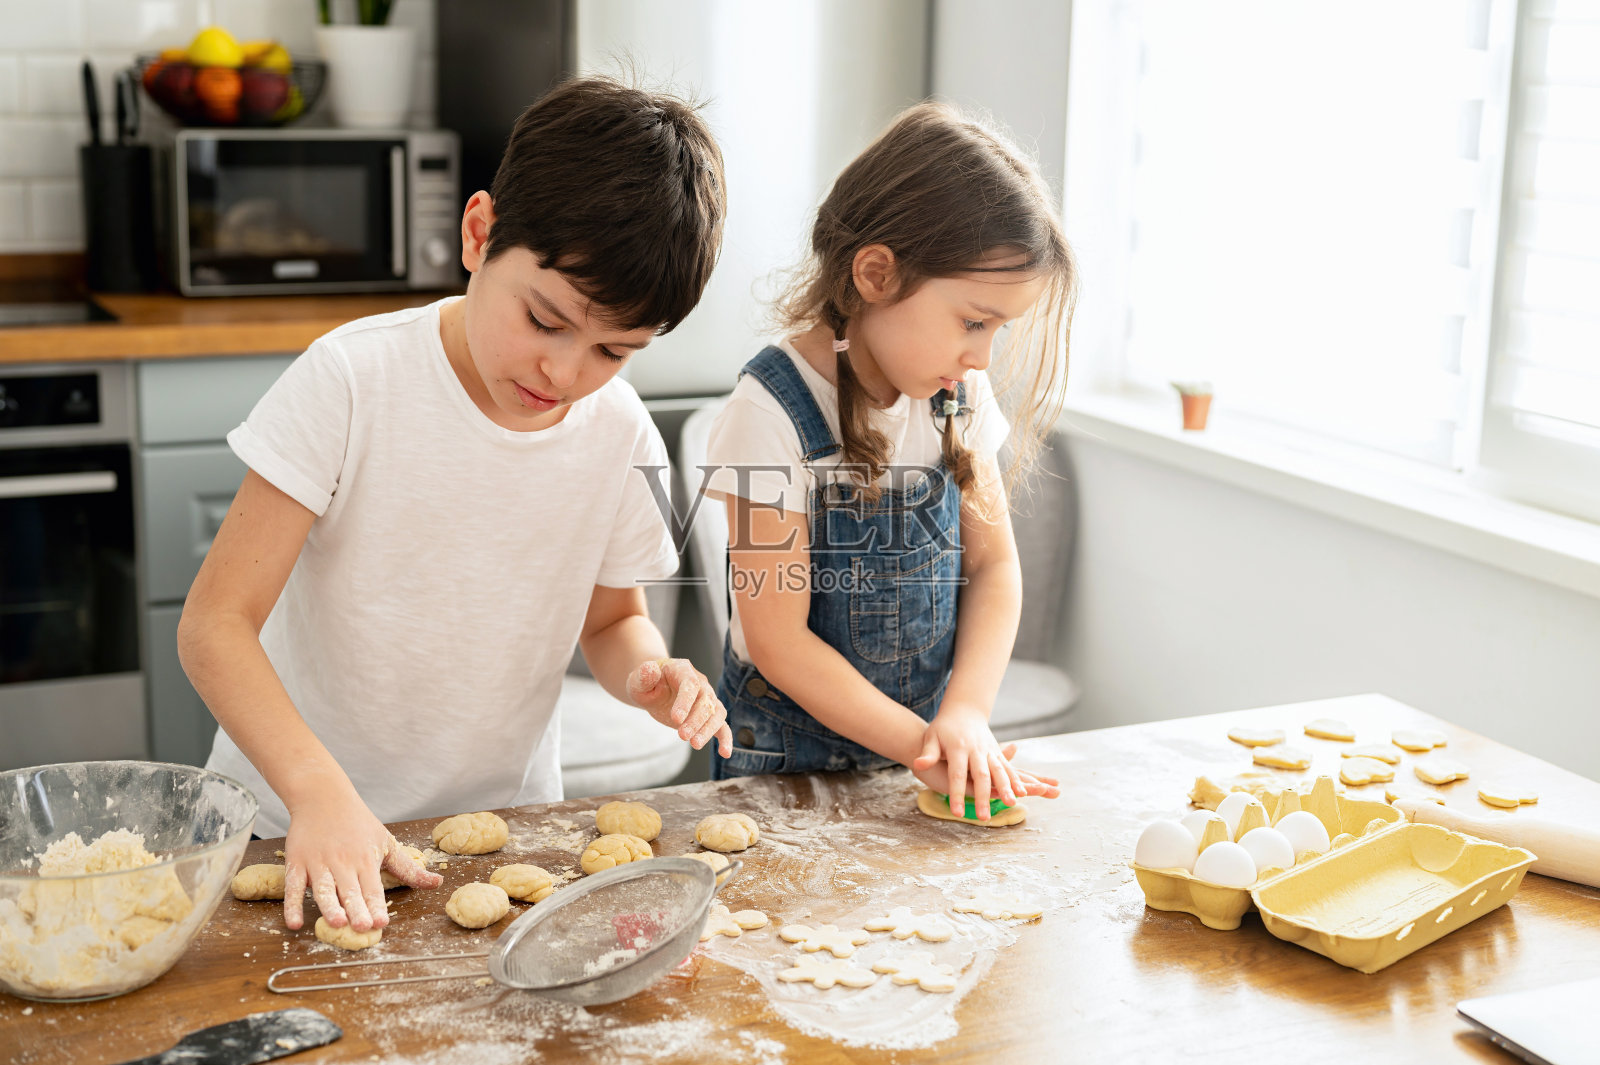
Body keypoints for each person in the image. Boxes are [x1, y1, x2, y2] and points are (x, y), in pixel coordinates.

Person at [178, 76, 731, 935]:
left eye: (613, 350)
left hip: (497, 842)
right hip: (293, 824)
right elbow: (214, 623)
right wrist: (319, 790)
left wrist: (647, 676)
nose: (564, 373)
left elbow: (613, 619)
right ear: (478, 234)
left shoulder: (618, 433)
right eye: (544, 320)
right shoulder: (353, 380)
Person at [703, 101, 1077, 821]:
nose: (983, 355)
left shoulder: (957, 395)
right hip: (780, 768)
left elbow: (996, 567)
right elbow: (779, 644)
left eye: (999, 329)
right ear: (876, 274)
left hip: (913, 762)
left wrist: (965, 713)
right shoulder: (768, 411)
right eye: (973, 321)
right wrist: (928, 748)